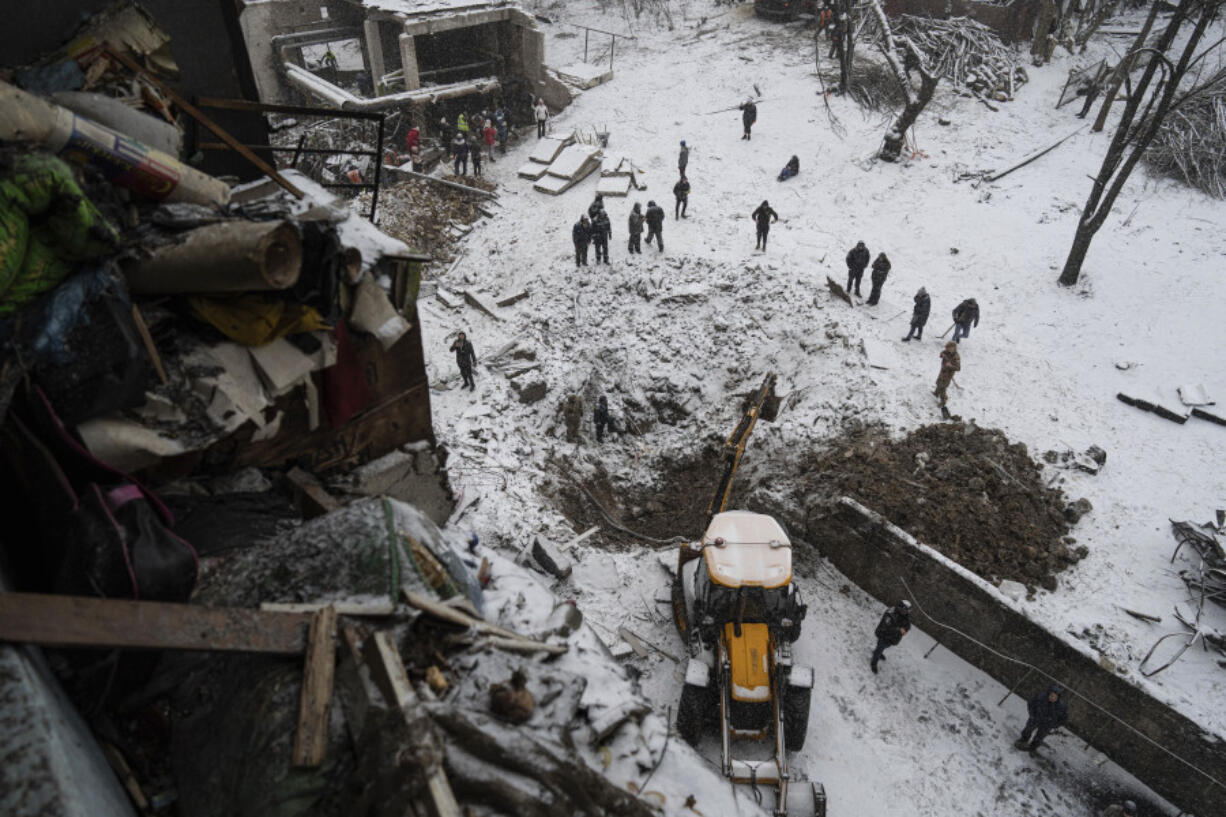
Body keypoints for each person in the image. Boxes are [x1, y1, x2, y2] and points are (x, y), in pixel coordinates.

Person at [1015, 684, 1069, 754]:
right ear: (1049, 694)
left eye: (1055, 697)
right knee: (1028, 729)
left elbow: (1063, 719)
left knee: (1040, 736)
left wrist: (1053, 725)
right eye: (1051, 695)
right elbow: (1031, 703)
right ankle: (1023, 739)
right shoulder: (1041, 697)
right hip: (1036, 717)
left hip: (1047, 724)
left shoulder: (1061, 707)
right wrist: (1032, 714)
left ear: (1058, 698)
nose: (1052, 698)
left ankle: (1032, 747)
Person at [871, 600, 912, 674]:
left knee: (884, 646)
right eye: (905, 610)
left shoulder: (905, 615)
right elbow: (886, 627)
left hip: (893, 639)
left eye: (907, 611)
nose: (906, 612)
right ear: (900, 608)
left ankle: (878, 652)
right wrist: (899, 630)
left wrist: (905, 629)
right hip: (884, 635)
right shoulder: (890, 613)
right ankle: (874, 662)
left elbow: (908, 624)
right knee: (880, 647)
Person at [933, 341, 960, 407]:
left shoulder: (956, 357)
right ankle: (936, 393)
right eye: (946, 348)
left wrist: (950, 366)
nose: (947, 350)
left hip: (948, 375)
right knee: (938, 382)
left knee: (943, 388)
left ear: (953, 348)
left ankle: (943, 401)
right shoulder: (946, 351)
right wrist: (943, 355)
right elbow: (941, 354)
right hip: (942, 372)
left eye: (948, 348)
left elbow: (958, 368)